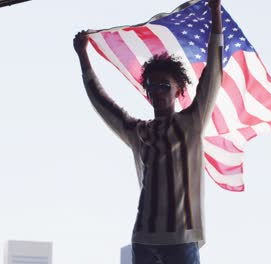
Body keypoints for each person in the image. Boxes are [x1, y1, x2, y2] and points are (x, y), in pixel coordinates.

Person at [73, 0, 223, 262]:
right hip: (144, 240)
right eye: (152, 87)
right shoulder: (138, 132)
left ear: (179, 90)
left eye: (164, 85)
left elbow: (213, 73)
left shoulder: (192, 120)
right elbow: (103, 103)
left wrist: (216, 13)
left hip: (182, 240)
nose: (157, 92)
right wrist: (83, 56)